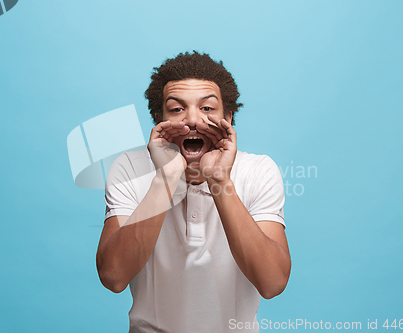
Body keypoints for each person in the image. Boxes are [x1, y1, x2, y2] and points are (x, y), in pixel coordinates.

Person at [96, 51, 291, 332]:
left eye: (208, 109)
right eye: (176, 109)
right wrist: (166, 178)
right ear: (157, 118)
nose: (192, 120)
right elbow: (113, 277)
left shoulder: (259, 170)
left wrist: (219, 181)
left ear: (228, 117)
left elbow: (272, 283)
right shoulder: (129, 167)